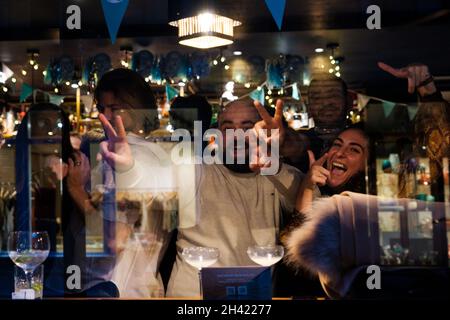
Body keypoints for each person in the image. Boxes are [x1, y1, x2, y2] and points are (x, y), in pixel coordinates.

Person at [67, 69, 192, 298]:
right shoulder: (159, 155)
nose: (104, 116)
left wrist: (75, 189)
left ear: (136, 110)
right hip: (141, 286)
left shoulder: (120, 158)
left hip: (108, 289)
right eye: (101, 108)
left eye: (114, 109)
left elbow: (114, 239)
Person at [166, 98, 303, 297]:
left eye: (247, 128)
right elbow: (145, 192)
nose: (236, 136)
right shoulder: (192, 169)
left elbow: (310, 212)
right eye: (227, 127)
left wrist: (276, 157)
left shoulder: (280, 174)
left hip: (253, 301)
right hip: (191, 298)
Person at [296, 124, 369, 213]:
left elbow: (304, 226)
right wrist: (308, 186)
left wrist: (306, 190)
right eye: (337, 144)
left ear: (368, 165)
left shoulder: (366, 207)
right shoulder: (316, 191)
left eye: (354, 149)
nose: (339, 153)